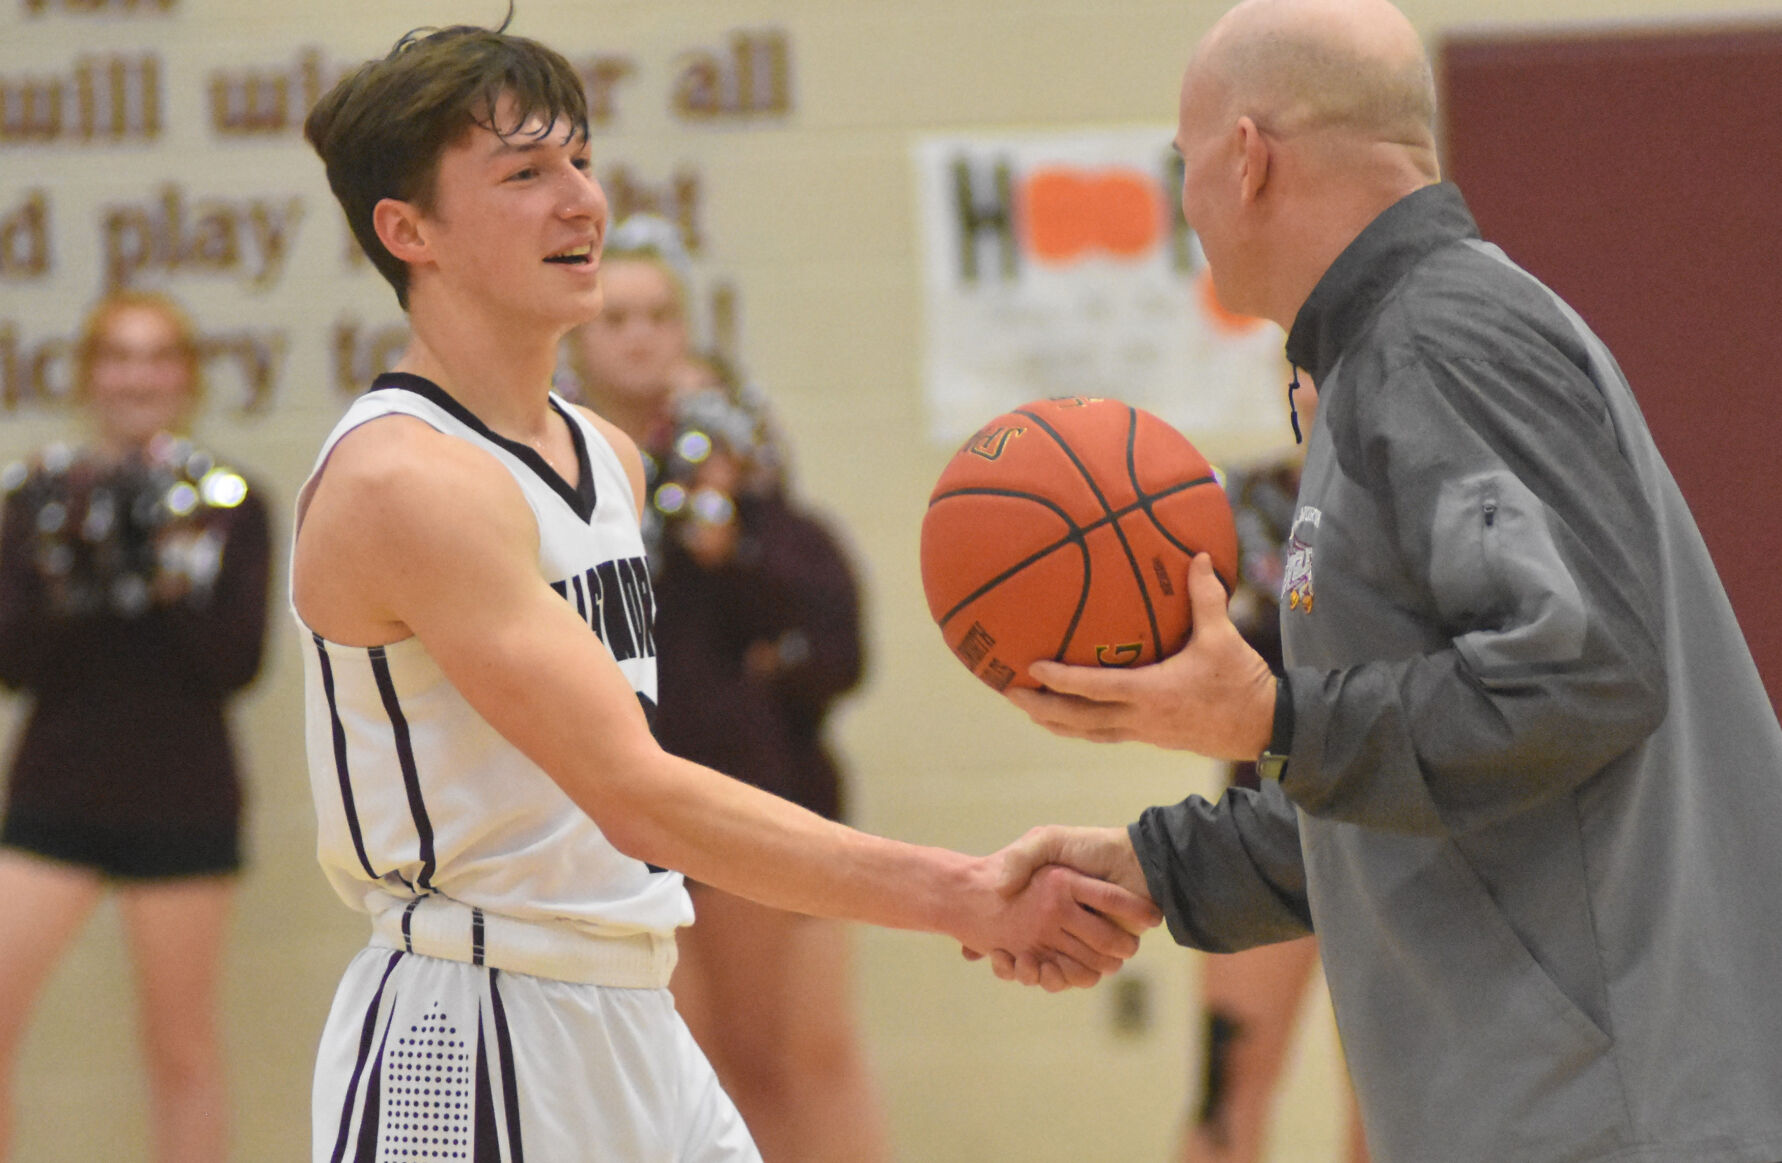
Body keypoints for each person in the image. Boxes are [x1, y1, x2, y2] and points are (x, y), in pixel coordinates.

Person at [296, 22, 1158, 1161]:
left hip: (632, 1012)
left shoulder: (609, 455)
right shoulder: (404, 480)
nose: (581, 202)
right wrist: (965, 891)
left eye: (582, 161)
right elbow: (635, 791)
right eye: (524, 174)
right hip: (471, 1024)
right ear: (409, 232)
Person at [992, 1, 1782, 1160]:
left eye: (1186, 166)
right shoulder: (1388, 355)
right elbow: (1443, 785)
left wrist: (1266, 715)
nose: (1188, 207)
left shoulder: (1440, 341)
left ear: (1250, 158)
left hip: (1619, 1102)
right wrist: (1162, 867)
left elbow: (1583, 680)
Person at [0, 290, 272, 1163]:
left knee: (181, 1046)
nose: (137, 375)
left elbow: (234, 664)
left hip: (180, 796)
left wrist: (165, 563)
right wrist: (78, 562)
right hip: (57, 789)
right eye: (117, 356)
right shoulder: (37, 498)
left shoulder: (231, 503)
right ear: (89, 375)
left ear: (185, 377)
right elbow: (16, 661)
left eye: (158, 357)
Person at [1185, 449, 1365, 1163]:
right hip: (1262, 815)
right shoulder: (1240, 499)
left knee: (1387, 1101)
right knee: (1225, 1092)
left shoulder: (1413, 495)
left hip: (1388, 814)